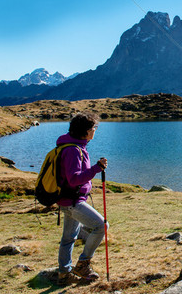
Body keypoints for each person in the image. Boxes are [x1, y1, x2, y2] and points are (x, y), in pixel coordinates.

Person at [56, 112, 108, 285]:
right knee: (101, 226)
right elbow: (74, 178)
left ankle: (64, 273)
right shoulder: (72, 150)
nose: (95, 131)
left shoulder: (75, 146)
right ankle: (83, 263)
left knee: (68, 238)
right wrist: (96, 169)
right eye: (93, 128)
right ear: (85, 131)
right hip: (73, 202)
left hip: (68, 200)